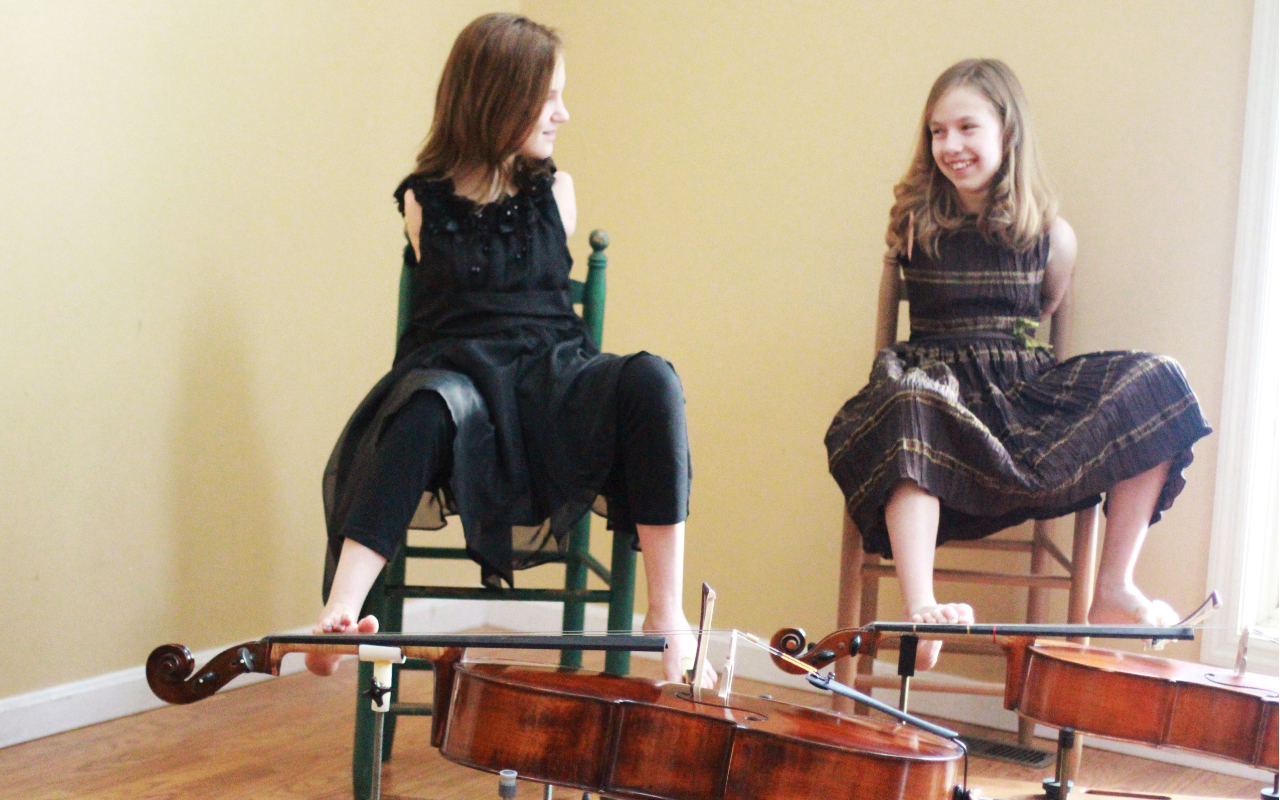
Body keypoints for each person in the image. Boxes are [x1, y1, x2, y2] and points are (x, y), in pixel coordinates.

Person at [306, 13, 712, 686]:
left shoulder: (557, 191)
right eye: (549, 98)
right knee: (426, 406)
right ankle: (340, 614)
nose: (564, 114)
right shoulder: (422, 203)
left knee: (652, 380)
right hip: (457, 383)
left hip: (553, 380)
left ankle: (665, 611)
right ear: (502, 97)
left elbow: (576, 353)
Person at [825, 59, 1212, 671]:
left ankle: (1114, 585)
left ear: (1008, 132)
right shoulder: (912, 226)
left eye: (966, 128)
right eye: (937, 131)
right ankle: (921, 609)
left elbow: (1045, 304)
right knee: (909, 403)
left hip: (1018, 398)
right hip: (934, 393)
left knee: (1156, 381)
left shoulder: (1052, 235)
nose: (950, 145)